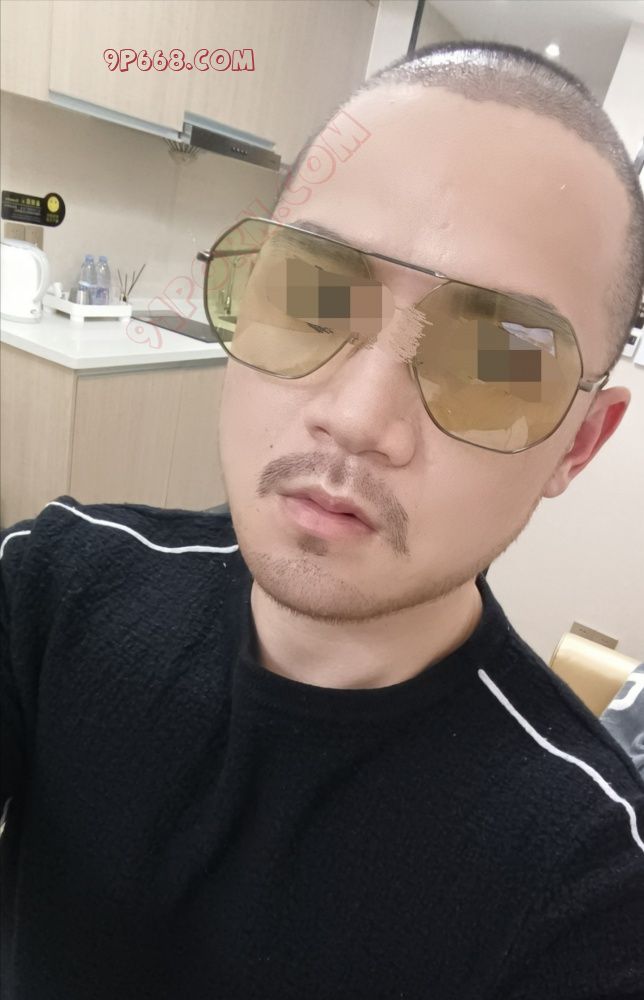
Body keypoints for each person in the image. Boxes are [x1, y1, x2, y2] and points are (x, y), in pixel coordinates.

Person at [1, 39, 643, 1000]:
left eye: (497, 362)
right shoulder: (55, 588)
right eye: (314, 295)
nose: (357, 417)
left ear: (578, 446)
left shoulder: (592, 892)